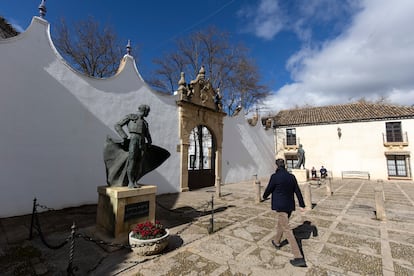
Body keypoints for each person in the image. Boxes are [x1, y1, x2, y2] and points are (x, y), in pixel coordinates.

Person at [262, 158, 307, 267]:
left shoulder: (275, 177)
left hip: (280, 206)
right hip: (289, 206)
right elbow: (297, 191)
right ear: (285, 165)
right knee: (281, 224)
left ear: (276, 166)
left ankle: (298, 257)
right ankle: (276, 241)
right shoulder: (291, 177)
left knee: (287, 229)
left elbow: (269, 189)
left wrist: (264, 196)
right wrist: (302, 204)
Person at [114, 104, 152, 188]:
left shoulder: (145, 123)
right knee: (132, 161)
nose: (148, 114)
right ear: (144, 111)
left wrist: (149, 141)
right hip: (133, 139)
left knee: (139, 162)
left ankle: (135, 181)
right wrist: (124, 136)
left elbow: (147, 134)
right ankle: (130, 182)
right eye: (147, 112)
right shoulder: (131, 117)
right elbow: (117, 125)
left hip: (142, 141)